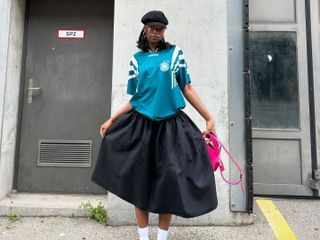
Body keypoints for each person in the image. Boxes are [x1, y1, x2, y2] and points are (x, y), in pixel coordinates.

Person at [91, 10, 218, 240]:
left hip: (171, 127)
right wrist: (113, 119)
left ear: (164, 31)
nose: (156, 33)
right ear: (145, 29)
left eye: (160, 29)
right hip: (141, 128)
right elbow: (136, 99)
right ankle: (143, 237)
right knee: (140, 183)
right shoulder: (136, 60)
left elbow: (186, 88)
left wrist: (208, 116)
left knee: (168, 183)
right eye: (152, 28)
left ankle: (161, 238)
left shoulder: (175, 54)